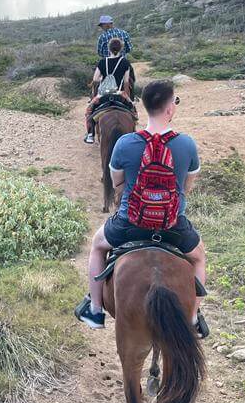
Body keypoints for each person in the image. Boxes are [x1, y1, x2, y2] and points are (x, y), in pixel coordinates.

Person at [74, 79, 209, 336]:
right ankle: (193, 316)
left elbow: (117, 183)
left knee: (97, 245)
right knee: (199, 256)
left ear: (145, 107)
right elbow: (186, 187)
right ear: (170, 108)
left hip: (130, 223)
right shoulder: (187, 144)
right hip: (172, 225)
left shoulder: (125, 143)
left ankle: (94, 308)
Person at [84, 37, 135, 144]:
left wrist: (103, 78)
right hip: (119, 94)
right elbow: (126, 81)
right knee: (132, 109)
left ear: (109, 49)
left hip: (103, 94)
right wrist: (126, 95)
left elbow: (95, 79)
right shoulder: (125, 62)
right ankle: (134, 130)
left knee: (89, 110)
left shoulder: (102, 62)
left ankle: (90, 134)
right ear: (121, 49)